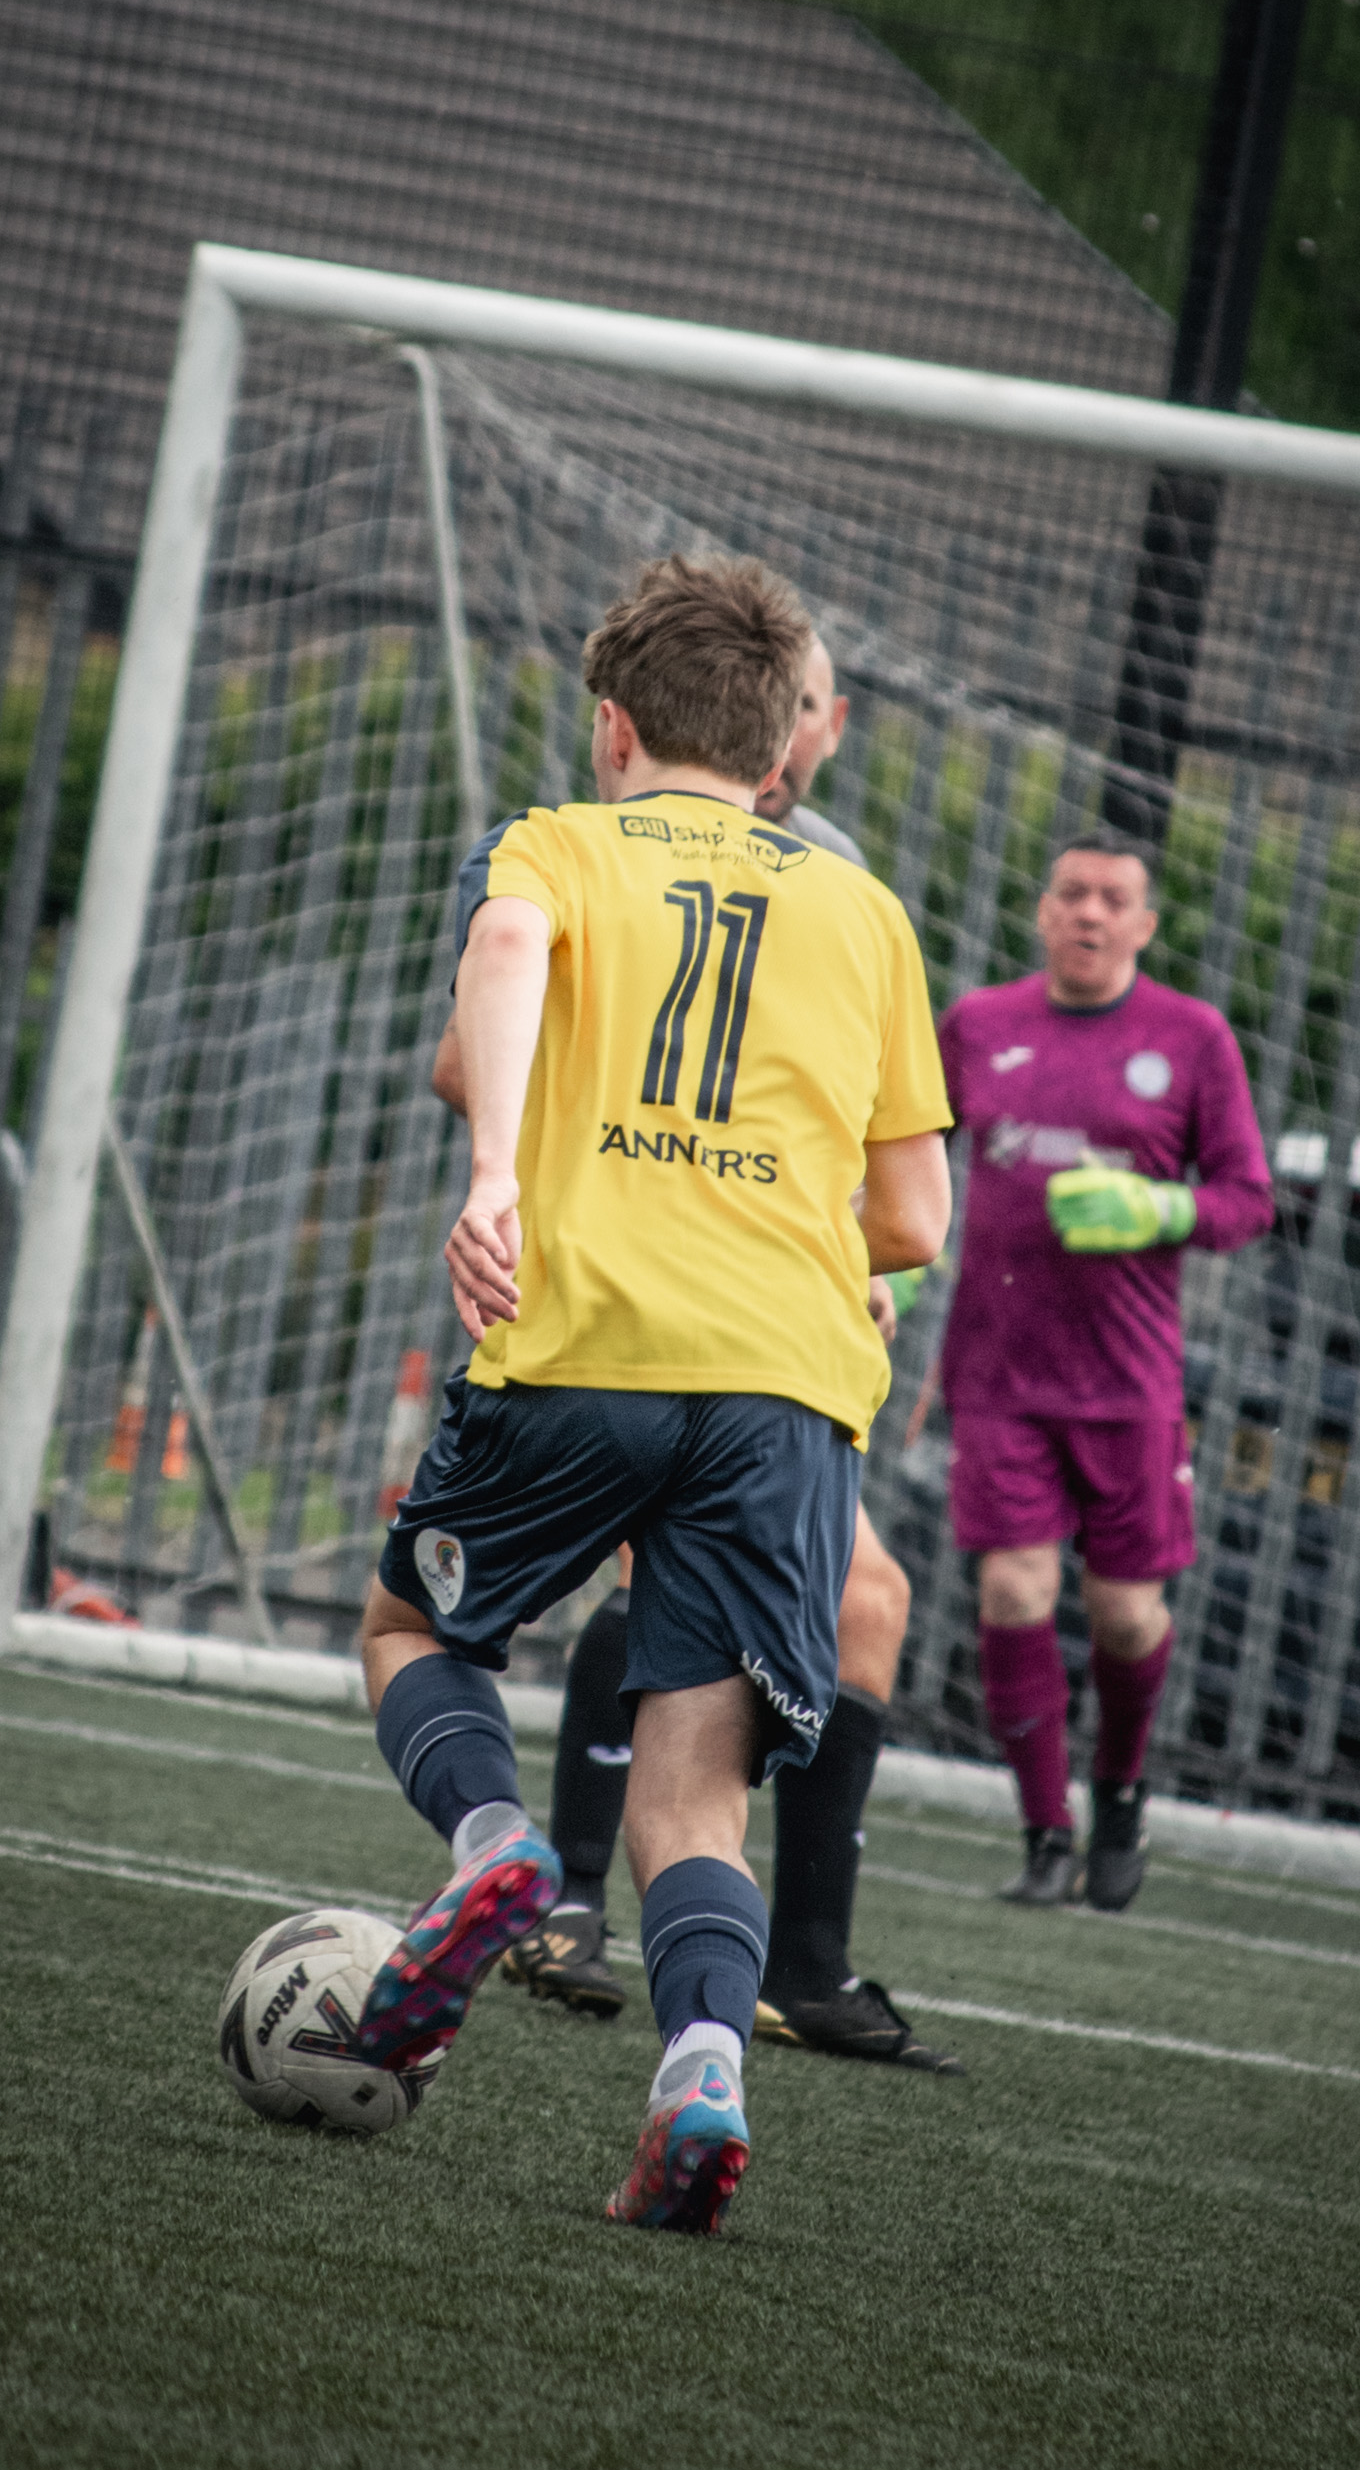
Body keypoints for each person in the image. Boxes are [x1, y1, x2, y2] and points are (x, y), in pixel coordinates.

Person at [355, 557, 952, 2234]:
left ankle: (487, 1847)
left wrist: (497, 1170)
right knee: (696, 1794)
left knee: (414, 1633)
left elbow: (508, 967)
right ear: (785, 751)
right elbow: (913, 1221)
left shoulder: (554, 845)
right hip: (785, 1389)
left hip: (582, 1334)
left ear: (610, 725)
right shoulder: (866, 913)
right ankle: (704, 2070)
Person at [936, 827, 1271, 1911]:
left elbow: (1245, 1198)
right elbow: (899, 1152)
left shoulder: (1191, 1037)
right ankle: (1045, 1832)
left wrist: (1160, 1205)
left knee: (1126, 1616)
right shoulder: (978, 1025)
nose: (1087, 913)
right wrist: (888, 1265)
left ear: (1142, 924)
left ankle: (1118, 1791)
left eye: (1110, 899)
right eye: (1070, 894)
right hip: (996, 1371)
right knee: (1010, 1588)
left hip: (1127, 1382)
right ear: (1042, 912)